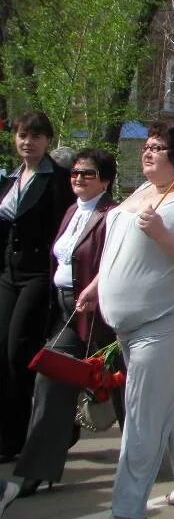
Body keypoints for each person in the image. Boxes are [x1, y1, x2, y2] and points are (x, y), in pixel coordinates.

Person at [78, 124, 174, 519]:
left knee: (141, 415)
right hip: (129, 325)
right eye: (148, 146)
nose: (149, 152)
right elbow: (118, 250)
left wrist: (161, 232)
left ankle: (127, 509)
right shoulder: (140, 191)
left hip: (169, 323)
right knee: (165, 402)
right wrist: (96, 286)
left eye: (159, 148)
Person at [15, 149, 118, 496]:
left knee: (123, 390)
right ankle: (38, 469)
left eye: (88, 174)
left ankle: (173, 460)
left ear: (105, 180)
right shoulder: (73, 211)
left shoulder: (112, 215)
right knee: (50, 376)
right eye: (75, 173)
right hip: (67, 312)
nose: (78, 179)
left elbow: (116, 261)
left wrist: (95, 289)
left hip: (101, 316)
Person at [0, 111, 73, 463]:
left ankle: (19, 436)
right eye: (22, 135)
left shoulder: (57, 180)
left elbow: (64, 229)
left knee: (19, 351)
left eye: (35, 136)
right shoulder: (10, 178)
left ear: (47, 141)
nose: (27, 142)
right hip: (8, 273)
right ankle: (9, 432)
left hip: (38, 274)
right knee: (3, 350)